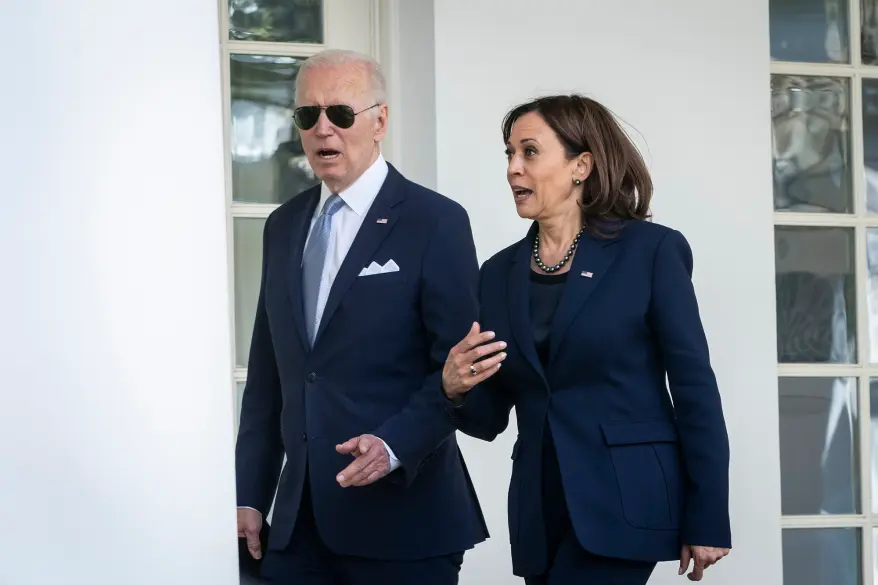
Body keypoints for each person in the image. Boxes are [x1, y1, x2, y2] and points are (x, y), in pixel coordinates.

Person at [441, 94, 732, 584]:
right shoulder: (497, 273)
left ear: (581, 166)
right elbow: (491, 416)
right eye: (509, 154)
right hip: (539, 509)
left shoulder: (652, 251)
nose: (513, 169)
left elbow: (695, 389)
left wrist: (708, 515)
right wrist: (455, 387)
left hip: (624, 501)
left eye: (529, 152)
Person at [235, 48, 488, 585]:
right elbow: (269, 381)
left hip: (404, 524)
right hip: (296, 530)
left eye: (341, 114)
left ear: (380, 121)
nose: (323, 129)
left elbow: (463, 374)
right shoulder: (282, 226)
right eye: (308, 115)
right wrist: (248, 497)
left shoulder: (434, 222)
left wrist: (395, 444)